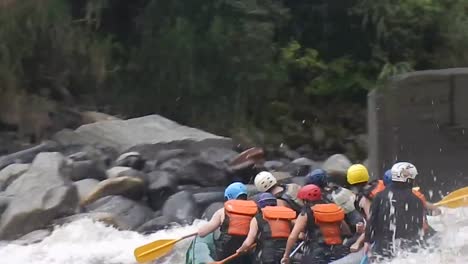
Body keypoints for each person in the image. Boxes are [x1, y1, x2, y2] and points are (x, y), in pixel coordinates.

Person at [364, 162, 426, 262]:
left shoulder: (379, 196)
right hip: (405, 252)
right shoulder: (417, 201)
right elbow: (417, 230)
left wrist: (367, 241)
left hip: (381, 249)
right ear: (410, 179)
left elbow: (371, 221)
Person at [282, 184, 349, 264]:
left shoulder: (306, 213)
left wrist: (286, 256)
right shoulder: (334, 209)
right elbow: (346, 231)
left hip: (317, 253)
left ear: (305, 200)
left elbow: (293, 236)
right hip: (338, 250)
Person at [198, 182, 258, 263]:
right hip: (247, 253)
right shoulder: (256, 211)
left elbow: (202, 233)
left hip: (225, 252)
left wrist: (199, 230)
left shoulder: (222, 212)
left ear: (228, 197)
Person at [237, 192, 296, 264]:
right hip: (286, 254)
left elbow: (249, 242)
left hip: (267, 256)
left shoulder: (258, 218)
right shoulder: (286, 217)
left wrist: (240, 249)